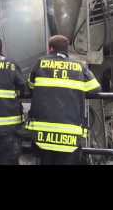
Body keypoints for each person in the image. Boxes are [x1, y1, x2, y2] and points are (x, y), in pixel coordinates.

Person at [26, 35, 101, 165]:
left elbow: (30, 86)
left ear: (50, 49)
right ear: (67, 50)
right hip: (70, 134)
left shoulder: (41, 63)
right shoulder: (79, 66)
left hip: (44, 134)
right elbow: (95, 88)